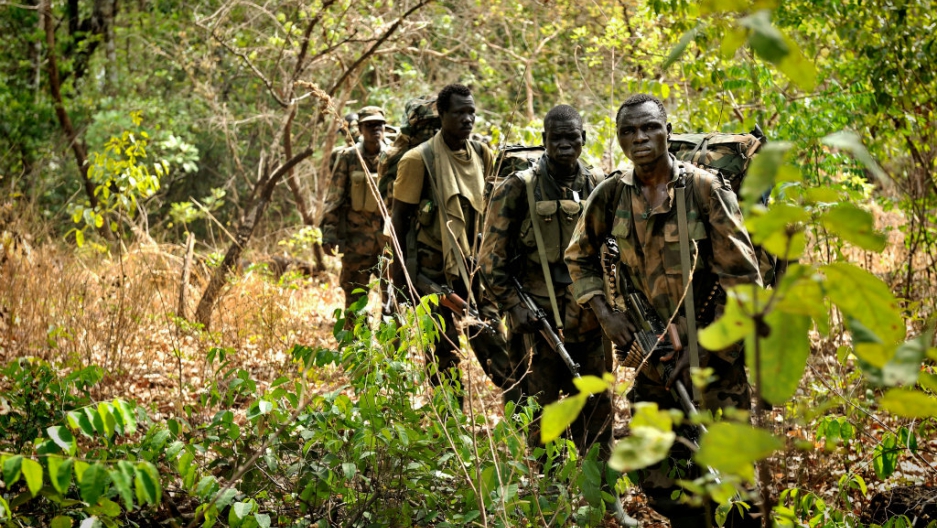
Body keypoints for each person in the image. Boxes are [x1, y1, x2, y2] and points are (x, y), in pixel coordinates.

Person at [565, 93, 763, 528]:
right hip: (651, 358)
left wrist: (698, 349)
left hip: (714, 364)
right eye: (629, 131)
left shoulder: (704, 190)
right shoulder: (611, 193)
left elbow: (744, 280)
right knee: (656, 473)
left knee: (737, 481)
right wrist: (605, 313)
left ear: (667, 133)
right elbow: (578, 256)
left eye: (650, 127)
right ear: (619, 139)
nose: (640, 138)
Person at [478, 105, 611, 456]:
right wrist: (513, 307)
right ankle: (550, 497)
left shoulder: (599, 185)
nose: (565, 144)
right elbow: (490, 260)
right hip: (539, 323)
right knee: (543, 416)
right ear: (544, 141)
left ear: (584, 139)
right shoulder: (518, 188)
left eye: (573, 137)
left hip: (591, 319)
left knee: (598, 412)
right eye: (557, 138)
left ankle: (603, 493)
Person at [389, 83, 498, 407]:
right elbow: (399, 221)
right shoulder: (417, 160)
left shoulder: (482, 154)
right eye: (459, 113)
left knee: (494, 339)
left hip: (475, 266)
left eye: (471, 112)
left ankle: (526, 420)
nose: (467, 119)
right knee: (443, 351)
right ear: (441, 114)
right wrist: (401, 279)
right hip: (433, 272)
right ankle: (449, 425)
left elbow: (489, 209)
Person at [320, 106, 388, 328]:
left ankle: (392, 354)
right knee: (355, 300)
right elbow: (334, 196)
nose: (375, 129)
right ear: (360, 128)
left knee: (392, 302)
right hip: (356, 242)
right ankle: (359, 353)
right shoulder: (348, 157)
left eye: (379, 125)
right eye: (369, 125)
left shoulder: (393, 157)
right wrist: (328, 232)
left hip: (388, 243)